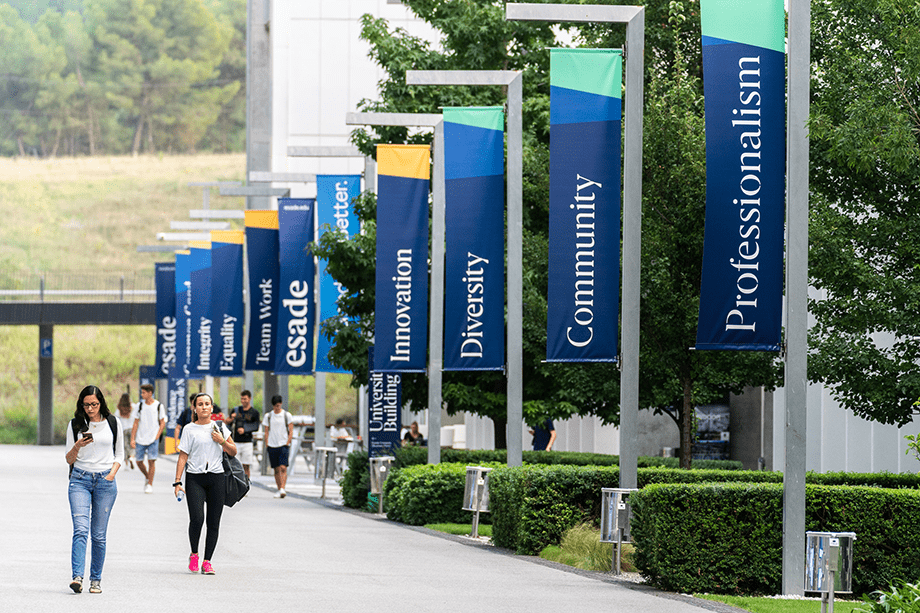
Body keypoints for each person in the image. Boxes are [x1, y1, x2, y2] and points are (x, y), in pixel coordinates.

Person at [65, 385, 123, 594]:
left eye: (94, 404)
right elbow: (68, 459)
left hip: (105, 481)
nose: (90, 408)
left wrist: (111, 474)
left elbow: (120, 454)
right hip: (79, 479)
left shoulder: (113, 422)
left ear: (101, 403)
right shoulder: (75, 425)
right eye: (86, 405)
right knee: (80, 530)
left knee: (98, 535)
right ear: (81, 404)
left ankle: (95, 580)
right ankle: (77, 577)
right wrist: (78, 446)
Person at [173, 392, 236, 576]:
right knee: (197, 519)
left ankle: (207, 561)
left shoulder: (220, 427)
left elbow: (233, 451)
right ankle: (194, 553)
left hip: (216, 478)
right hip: (195, 478)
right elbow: (183, 456)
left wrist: (222, 441)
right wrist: (177, 481)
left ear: (212, 407)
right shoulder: (189, 429)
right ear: (195, 408)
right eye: (200, 404)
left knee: (213, 522)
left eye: (207, 404)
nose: (204, 407)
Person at [131, 383, 166, 493]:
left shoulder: (158, 406)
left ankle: (149, 484)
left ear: (150, 393)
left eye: (144, 392)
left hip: (153, 438)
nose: (142, 395)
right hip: (141, 438)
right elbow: (135, 423)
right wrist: (132, 438)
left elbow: (162, 422)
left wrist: (157, 435)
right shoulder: (139, 406)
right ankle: (147, 476)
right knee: (139, 461)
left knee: (151, 461)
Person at [261, 395, 293, 499]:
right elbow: (266, 431)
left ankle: (283, 488)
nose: (277, 408)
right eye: (275, 406)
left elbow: (291, 429)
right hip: (272, 444)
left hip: (283, 444)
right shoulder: (268, 416)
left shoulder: (287, 415)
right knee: (276, 468)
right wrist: (267, 443)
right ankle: (279, 489)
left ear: (281, 404)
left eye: (278, 406)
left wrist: (288, 441)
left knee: (283, 467)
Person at [225, 390, 260, 479]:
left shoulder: (254, 412)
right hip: (235, 441)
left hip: (247, 442)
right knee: (235, 465)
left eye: (245, 399)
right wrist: (232, 417)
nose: (243, 401)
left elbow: (256, 426)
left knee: (246, 465)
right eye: (242, 399)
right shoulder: (236, 410)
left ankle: (246, 484)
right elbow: (226, 422)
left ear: (249, 399)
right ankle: (236, 484)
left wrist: (245, 430)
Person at [115, 393, 136, 469]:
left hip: (123, 429)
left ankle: (126, 463)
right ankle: (131, 457)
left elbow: (116, 419)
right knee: (132, 445)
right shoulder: (133, 407)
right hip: (131, 429)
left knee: (125, 446)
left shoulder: (119, 408)